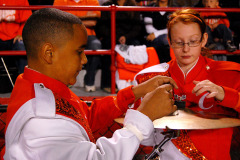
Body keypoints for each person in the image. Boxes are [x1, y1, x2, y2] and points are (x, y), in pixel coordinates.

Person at [3, 8, 178, 160]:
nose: (85, 59)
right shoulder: (41, 119)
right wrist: (143, 117)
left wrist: (136, 92)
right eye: (79, 51)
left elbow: (86, 116)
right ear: (49, 53)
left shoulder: (38, 84)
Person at [135, 9, 240, 160]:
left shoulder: (229, 74)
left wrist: (226, 94)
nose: (186, 49)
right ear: (169, 41)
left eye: (193, 42)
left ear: (204, 39)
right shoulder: (150, 77)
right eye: (179, 42)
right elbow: (142, 134)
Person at [53, 0, 102, 92]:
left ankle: (89, 81)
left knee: (96, 46)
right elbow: (58, 21)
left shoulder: (93, 1)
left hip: (88, 34)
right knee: (62, 46)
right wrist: (85, 17)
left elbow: (93, 22)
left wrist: (69, 19)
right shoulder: (59, 0)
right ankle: (66, 79)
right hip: (66, 35)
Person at [95, 0, 143, 93]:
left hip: (129, 37)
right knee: (108, 48)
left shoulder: (133, 6)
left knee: (136, 47)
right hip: (111, 37)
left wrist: (126, 37)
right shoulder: (106, 5)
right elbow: (101, 27)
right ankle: (107, 84)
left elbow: (137, 27)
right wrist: (116, 37)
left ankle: (133, 84)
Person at [0, 0, 32, 92]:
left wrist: (21, 34)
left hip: (15, 38)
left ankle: (24, 86)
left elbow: (27, 20)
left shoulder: (21, 1)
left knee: (22, 46)